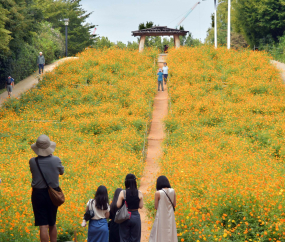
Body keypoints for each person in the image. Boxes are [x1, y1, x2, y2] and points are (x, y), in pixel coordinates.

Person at [29, 134, 64, 242]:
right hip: (53, 193)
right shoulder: (56, 160)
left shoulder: (32, 161)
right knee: (52, 223)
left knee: (43, 225)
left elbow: (33, 172)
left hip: (38, 194)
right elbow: (61, 172)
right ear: (49, 147)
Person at [149, 176, 177, 242]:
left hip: (161, 216)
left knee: (161, 233)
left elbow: (156, 207)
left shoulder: (158, 193)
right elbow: (174, 204)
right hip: (170, 216)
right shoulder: (173, 191)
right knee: (170, 233)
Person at [117, 174, 143, 242]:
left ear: (126, 182)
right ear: (135, 182)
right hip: (135, 216)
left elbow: (118, 205)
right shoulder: (139, 192)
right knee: (135, 238)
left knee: (124, 238)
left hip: (125, 216)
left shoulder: (123, 193)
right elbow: (141, 206)